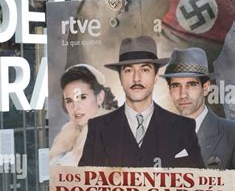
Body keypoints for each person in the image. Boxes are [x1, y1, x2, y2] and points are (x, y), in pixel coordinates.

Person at [79, 36, 204, 169]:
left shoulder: (184, 128)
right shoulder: (97, 128)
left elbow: (199, 185)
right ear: (120, 78)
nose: (136, 78)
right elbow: (82, 186)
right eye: (128, 70)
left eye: (145, 70)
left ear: (156, 77)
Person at [162, 47, 235, 170]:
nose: (183, 94)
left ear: (206, 88)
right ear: (169, 90)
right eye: (176, 85)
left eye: (191, 84)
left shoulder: (231, 134)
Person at [49, 64, 117, 166]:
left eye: (82, 97)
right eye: (69, 101)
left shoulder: (111, 135)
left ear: (100, 97)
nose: (75, 107)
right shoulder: (66, 136)